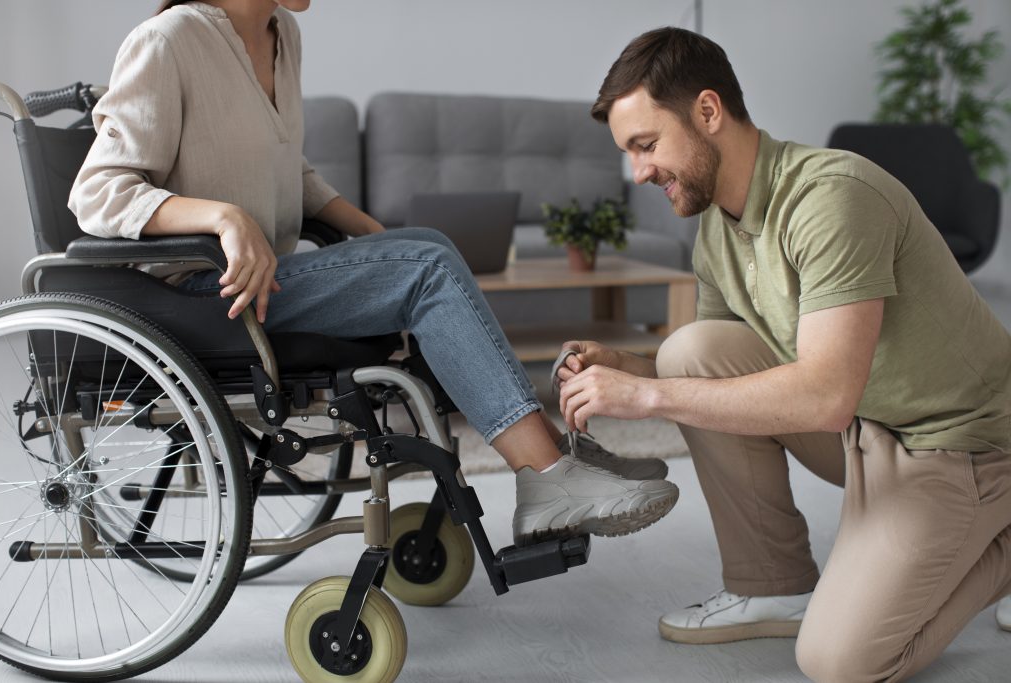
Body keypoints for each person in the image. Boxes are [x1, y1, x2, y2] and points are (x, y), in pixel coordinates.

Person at [67, 0, 678, 546]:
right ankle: (547, 475)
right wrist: (225, 218)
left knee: (426, 250)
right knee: (426, 264)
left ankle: (550, 454)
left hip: (270, 281)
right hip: (207, 295)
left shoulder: (282, 35)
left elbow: (291, 170)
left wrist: (376, 237)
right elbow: (97, 192)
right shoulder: (169, 41)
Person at [555, 26, 1011, 682]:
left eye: (646, 145)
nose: (640, 172)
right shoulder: (718, 227)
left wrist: (647, 397)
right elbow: (712, 369)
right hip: (869, 426)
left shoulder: (831, 198)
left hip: (963, 446)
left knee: (839, 660)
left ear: (708, 112)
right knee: (688, 351)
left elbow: (825, 396)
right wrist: (632, 368)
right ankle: (773, 583)